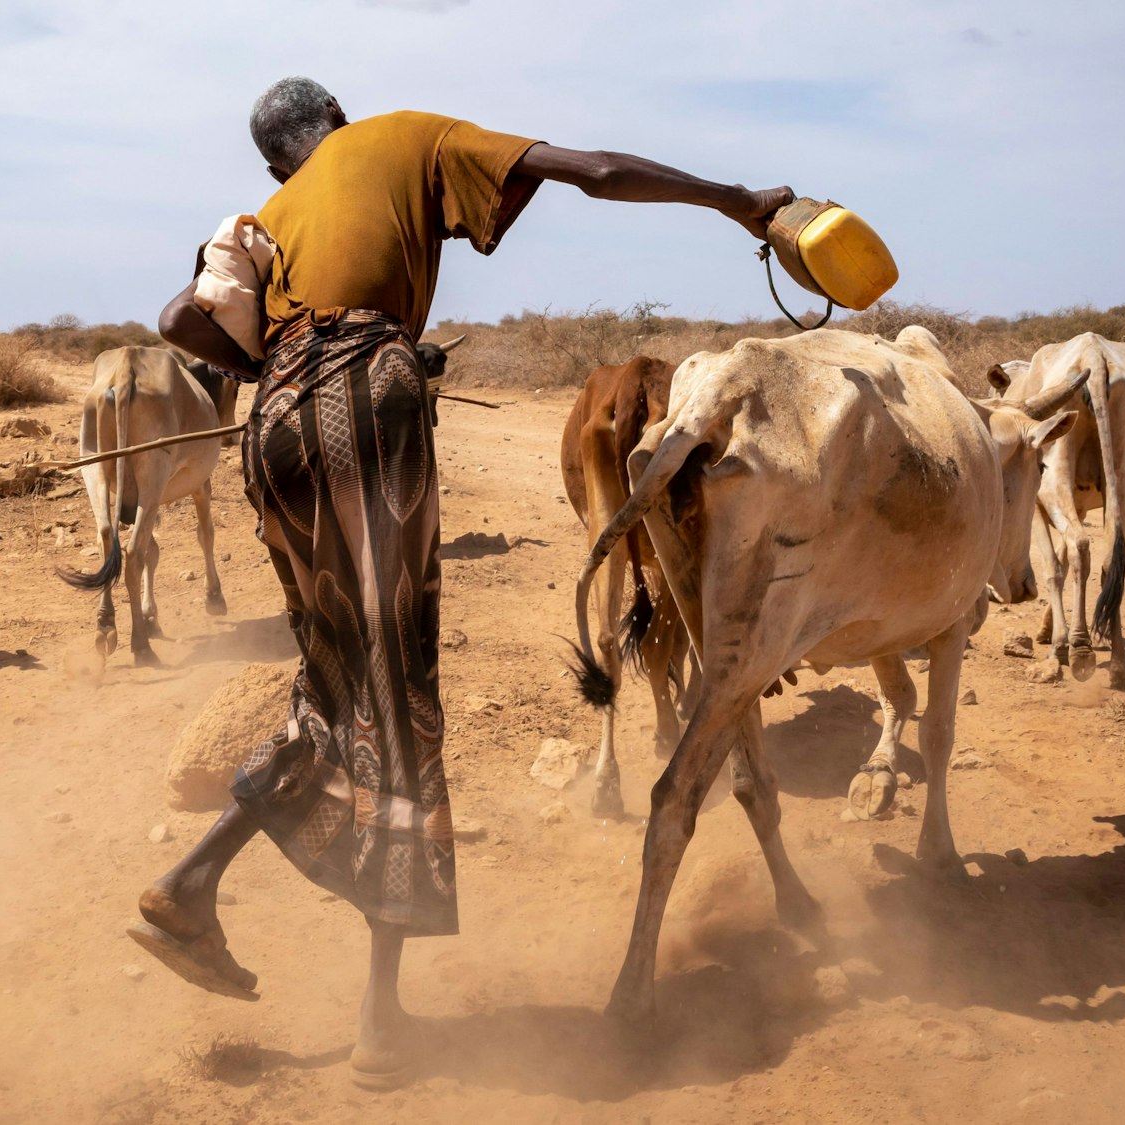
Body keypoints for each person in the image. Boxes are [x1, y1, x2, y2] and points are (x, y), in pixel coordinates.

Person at [136, 76, 792, 1090]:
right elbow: (593, 171)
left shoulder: (266, 217)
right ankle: (379, 1024)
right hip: (368, 391)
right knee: (395, 703)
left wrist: (280, 357)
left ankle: (189, 885)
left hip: (272, 422)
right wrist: (733, 199)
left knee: (335, 685)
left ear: (278, 163)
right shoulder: (407, 135)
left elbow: (181, 318)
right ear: (339, 124)